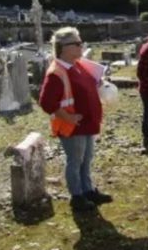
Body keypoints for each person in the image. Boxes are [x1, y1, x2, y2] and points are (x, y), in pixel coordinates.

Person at [38, 27, 111, 212]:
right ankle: (77, 196)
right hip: (72, 126)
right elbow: (46, 102)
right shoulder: (57, 72)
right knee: (75, 160)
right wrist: (67, 116)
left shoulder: (77, 65)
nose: (81, 46)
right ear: (64, 47)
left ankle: (88, 191)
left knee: (86, 159)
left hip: (85, 124)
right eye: (77, 43)